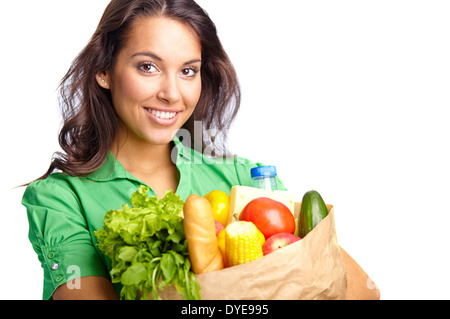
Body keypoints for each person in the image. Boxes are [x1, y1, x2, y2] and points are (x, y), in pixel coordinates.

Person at [22, 0, 379, 300]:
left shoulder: (245, 179)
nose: (172, 93)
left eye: (188, 71)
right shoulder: (60, 198)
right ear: (104, 71)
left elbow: (365, 291)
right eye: (148, 67)